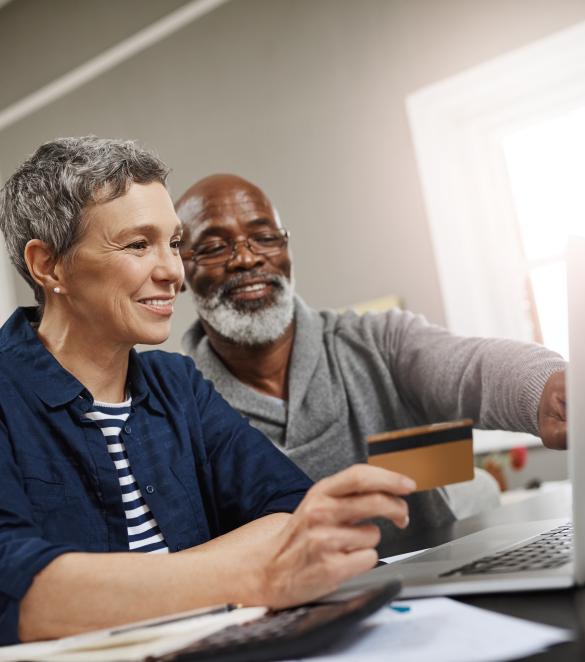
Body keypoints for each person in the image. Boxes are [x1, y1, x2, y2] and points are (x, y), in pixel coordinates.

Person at [0, 137, 415, 645]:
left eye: (173, 243)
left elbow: (293, 512)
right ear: (48, 266)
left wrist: (111, 589)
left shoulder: (179, 386)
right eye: (137, 244)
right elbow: (25, 596)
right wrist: (251, 575)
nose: (173, 272)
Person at [177, 174, 568, 541]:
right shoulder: (176, 410)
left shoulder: (379, 341)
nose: (246, 259)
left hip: (433, 592)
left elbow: (472, 368)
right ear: (179, 270)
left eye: (264, 237)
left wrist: (547, 390)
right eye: (213, 247)